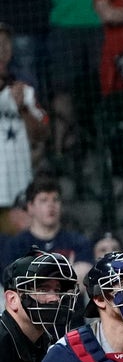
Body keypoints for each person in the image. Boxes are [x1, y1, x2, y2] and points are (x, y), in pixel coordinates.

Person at [0, 22, 48, 224]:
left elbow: (42, 134)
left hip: (18, 193)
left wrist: (22, 108)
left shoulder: (24, 90)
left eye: (5, 43)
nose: (2, 48)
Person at [2, 178, 94, 277]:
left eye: (55, 200)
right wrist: (66, 273)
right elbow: (12, 282)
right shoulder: (16, 246)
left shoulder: (78, 241)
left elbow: (85, 275)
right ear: (30, 207)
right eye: (44, 200)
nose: (51, 205)